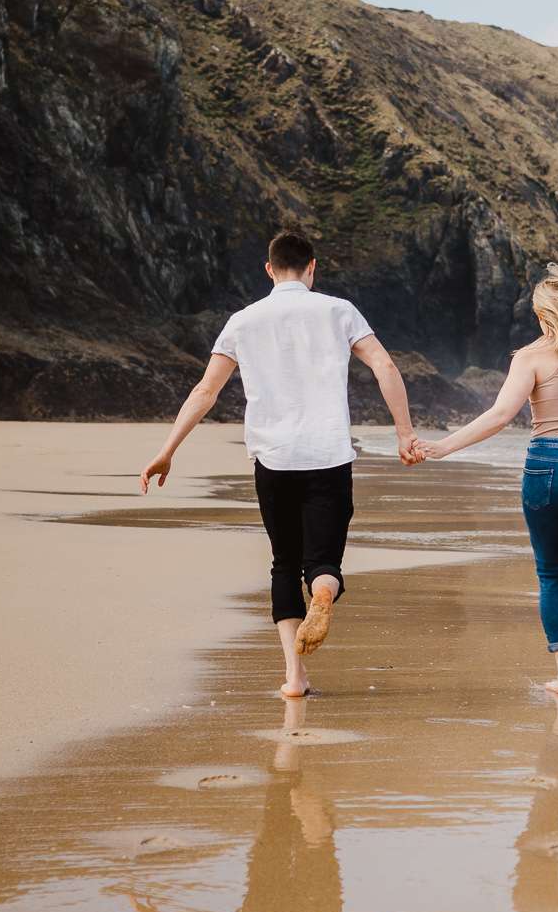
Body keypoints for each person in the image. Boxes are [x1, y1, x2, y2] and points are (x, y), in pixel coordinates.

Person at [139, 229, 419, 696]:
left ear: (268, 270)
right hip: (328, 455)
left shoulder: (243, 321)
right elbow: (385, 367)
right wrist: (405, 433)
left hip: (274, 459)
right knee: (323, 559)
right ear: (313, 268)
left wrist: (167, 450)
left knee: (283, 563)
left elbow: (205, 392)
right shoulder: (339, 311)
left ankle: (295, 676)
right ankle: (325, 591)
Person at [416, 252, 558, 696]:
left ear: (539, 314)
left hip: (544, 467)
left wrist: (443, 447)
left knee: (551, 574)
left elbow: (498, 416)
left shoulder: (530, 359)